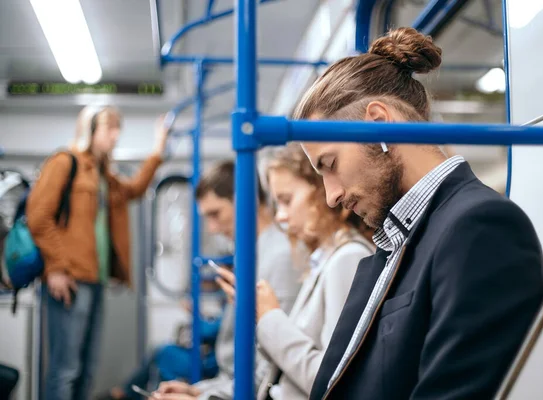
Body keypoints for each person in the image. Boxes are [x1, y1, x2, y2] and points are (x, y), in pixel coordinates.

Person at [295, 28, 543, 399]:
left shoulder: (479, 228)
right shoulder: (397, 242)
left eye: (330, 164)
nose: (331, 196)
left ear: (378, 123)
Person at [153, 144, 374, 400]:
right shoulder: (322, 261)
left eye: (287, 200)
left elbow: (331, 379)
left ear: (320, 193)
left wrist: (266, 316)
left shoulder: (346, 259)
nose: (280, 216)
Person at [27, 105, 167, 400]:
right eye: (109, 128)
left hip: (94, 278)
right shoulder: (65, 162)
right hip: (69, 278)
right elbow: (38, 216)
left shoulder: (103, 175)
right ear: (89, 129)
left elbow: (136, 190)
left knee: (85, 368)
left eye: (118, 129)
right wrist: (55, 268)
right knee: (65, 370)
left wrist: (158, 149)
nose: (116, 135)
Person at [153, 160, 303, 400]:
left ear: (247, 200)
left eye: (216, 213)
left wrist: (200, 399)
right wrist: (197, 390)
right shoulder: (250, 255)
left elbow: (269, 372)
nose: (212, 228)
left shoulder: (280, 257)